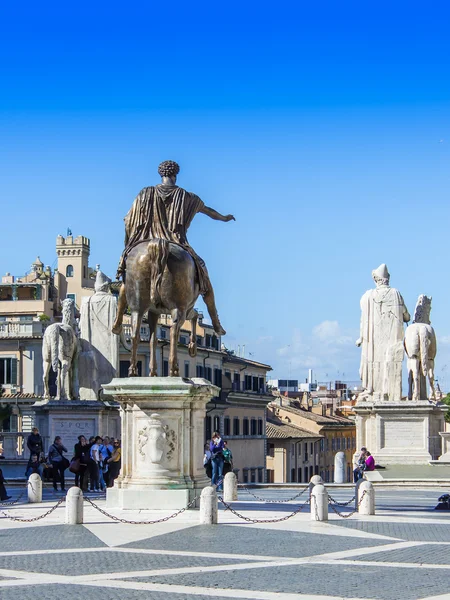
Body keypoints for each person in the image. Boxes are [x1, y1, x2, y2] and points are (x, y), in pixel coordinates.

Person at [115, 160, 235, 336]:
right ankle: (216, 322)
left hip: (144, 241)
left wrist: (129, 244)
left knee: (127, 280)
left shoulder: (145, 193)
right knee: (204, 275)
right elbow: (209, 212)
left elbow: (127, 220)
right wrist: (224, 218)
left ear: (161, 174)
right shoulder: (187, 197)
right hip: (177, 242)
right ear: (175, 175)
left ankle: (118, 319)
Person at [356, 264, 410, 401]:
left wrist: (361, 337)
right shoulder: (396, 294)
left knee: (375, 364)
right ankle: (389, 392)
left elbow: (363, 320)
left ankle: (373, 390)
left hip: (373, 342)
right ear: (388, 278)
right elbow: (406, 316)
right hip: (392, 342)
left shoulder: (368, 296)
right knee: (390, 364)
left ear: (375, 279)